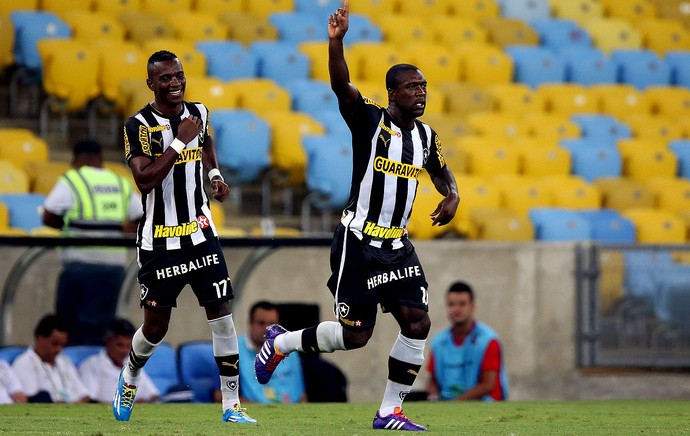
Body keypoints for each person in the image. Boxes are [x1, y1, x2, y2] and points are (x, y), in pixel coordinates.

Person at [254, 1, 459, 431]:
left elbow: (441, 172)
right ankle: (283, 341)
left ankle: (389, 411)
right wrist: (336, 42)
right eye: (412, 87)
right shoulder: (370, 121)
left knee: (418, 322)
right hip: (359, 242)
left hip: (397, 244)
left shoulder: (426, 137)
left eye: (424, 86)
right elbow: (340, 84)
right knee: (356, 336)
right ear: (393, 93)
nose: (421, 93)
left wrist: (452, 196)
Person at [113, 50, 255, 424]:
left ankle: (231, 406)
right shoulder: (137, 125)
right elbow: (144, 180)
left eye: (179, 76)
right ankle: (130, 375)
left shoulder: (200, 114)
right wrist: (177, 142)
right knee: (156, 328)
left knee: (222, 316)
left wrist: (214, 178)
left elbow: (206, 148)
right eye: (166, 78)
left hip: (200, 231)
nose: (175, 83)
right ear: (151, 84)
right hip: (159, 240)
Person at [42, 138, 143, 345]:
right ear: (100, 159)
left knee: (69, 329)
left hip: (79, 266)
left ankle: (77, 371)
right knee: (103, 329)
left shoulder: (73, 179)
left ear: (77, 159)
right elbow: (143, 215)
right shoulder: (119, 182)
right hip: (113, 268)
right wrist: (125, 231)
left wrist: (66, 225)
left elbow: (48, 215)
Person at [426, 281, 509, 402]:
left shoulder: (489, 340)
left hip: (485, 406)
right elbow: (433, 380)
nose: (456, 309)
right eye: (451, 304)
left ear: (472, 306)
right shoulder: (438, 342)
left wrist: (455, 403)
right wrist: (433, 396)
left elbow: (489, 385)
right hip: (445, 405)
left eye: (462, 304)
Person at [237, 301, 305, 404]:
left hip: (290, 413)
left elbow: (301, 396)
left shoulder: (290, 349)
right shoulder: (235, 349)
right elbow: (223, 396)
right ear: (250, 323)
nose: (267, 329)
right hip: (255, 413)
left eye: (272, 324)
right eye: (261, 323)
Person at [12, 314, 90, 403]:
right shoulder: (25, 363)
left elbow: (85, 395)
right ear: (40, 338)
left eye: (62, 345)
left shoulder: (65, 361)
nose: (59, 349)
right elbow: (32, 401)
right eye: (55, 344)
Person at [80, 318, 159, 404]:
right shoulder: (92, 364)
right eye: (120, 345)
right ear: (107, 341)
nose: (124, 351)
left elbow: (153, 394)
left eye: (128, 346)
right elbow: (90, 400)